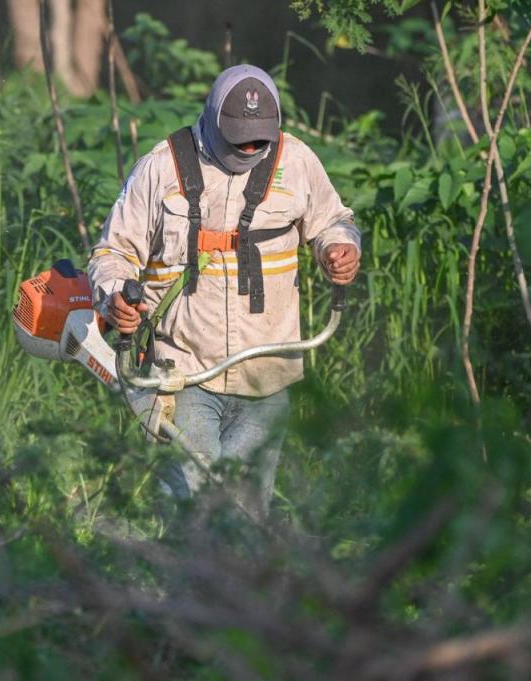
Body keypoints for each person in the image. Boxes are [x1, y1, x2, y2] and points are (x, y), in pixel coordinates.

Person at [88, 64, 361, 518]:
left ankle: (242, 588)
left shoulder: (296, 162)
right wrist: (117, 296)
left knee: (247, 514)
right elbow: (111, 253)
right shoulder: (162, 168)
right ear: (212, 119)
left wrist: (341, 247)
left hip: (267, 373)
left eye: (260, 138)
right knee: (194, 510)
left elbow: (335, 222)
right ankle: (179, 587)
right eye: (238, 137)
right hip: (184, 374)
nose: (250, 147)